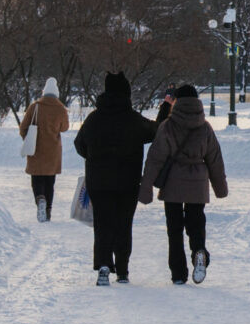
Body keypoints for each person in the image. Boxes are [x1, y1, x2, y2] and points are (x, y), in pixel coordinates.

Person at [139, 83, 228, 286]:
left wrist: (146, 188)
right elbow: (215, 158)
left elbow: (155, 159)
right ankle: (199, 250)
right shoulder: (205, 127)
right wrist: (220, 188)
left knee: (175, 229)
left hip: (173, 183)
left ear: (176, 102)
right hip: (198, 183)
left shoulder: (168, 126)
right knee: (196, 222)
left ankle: (178, 273)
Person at [71, 71, 155, 285]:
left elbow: (79, 144)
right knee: (123, 224)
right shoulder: (133, 119)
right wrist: (165, 109)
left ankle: (104, 265)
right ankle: (123, 271)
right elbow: (156, 131)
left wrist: (94, 158)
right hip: (128, 182)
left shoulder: (94, 119)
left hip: (98, 182)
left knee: (102, 224)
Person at [17, 77, 70, 221]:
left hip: (36, 149)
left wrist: (27, 139)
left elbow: (23, 127)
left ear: (44, 92)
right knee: (49, 182)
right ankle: (48, 211)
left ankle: (40, 199)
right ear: (57, 93)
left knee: (37, 179)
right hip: (53, 151)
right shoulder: (61, 109)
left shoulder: (35, 106)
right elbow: (65, 128)